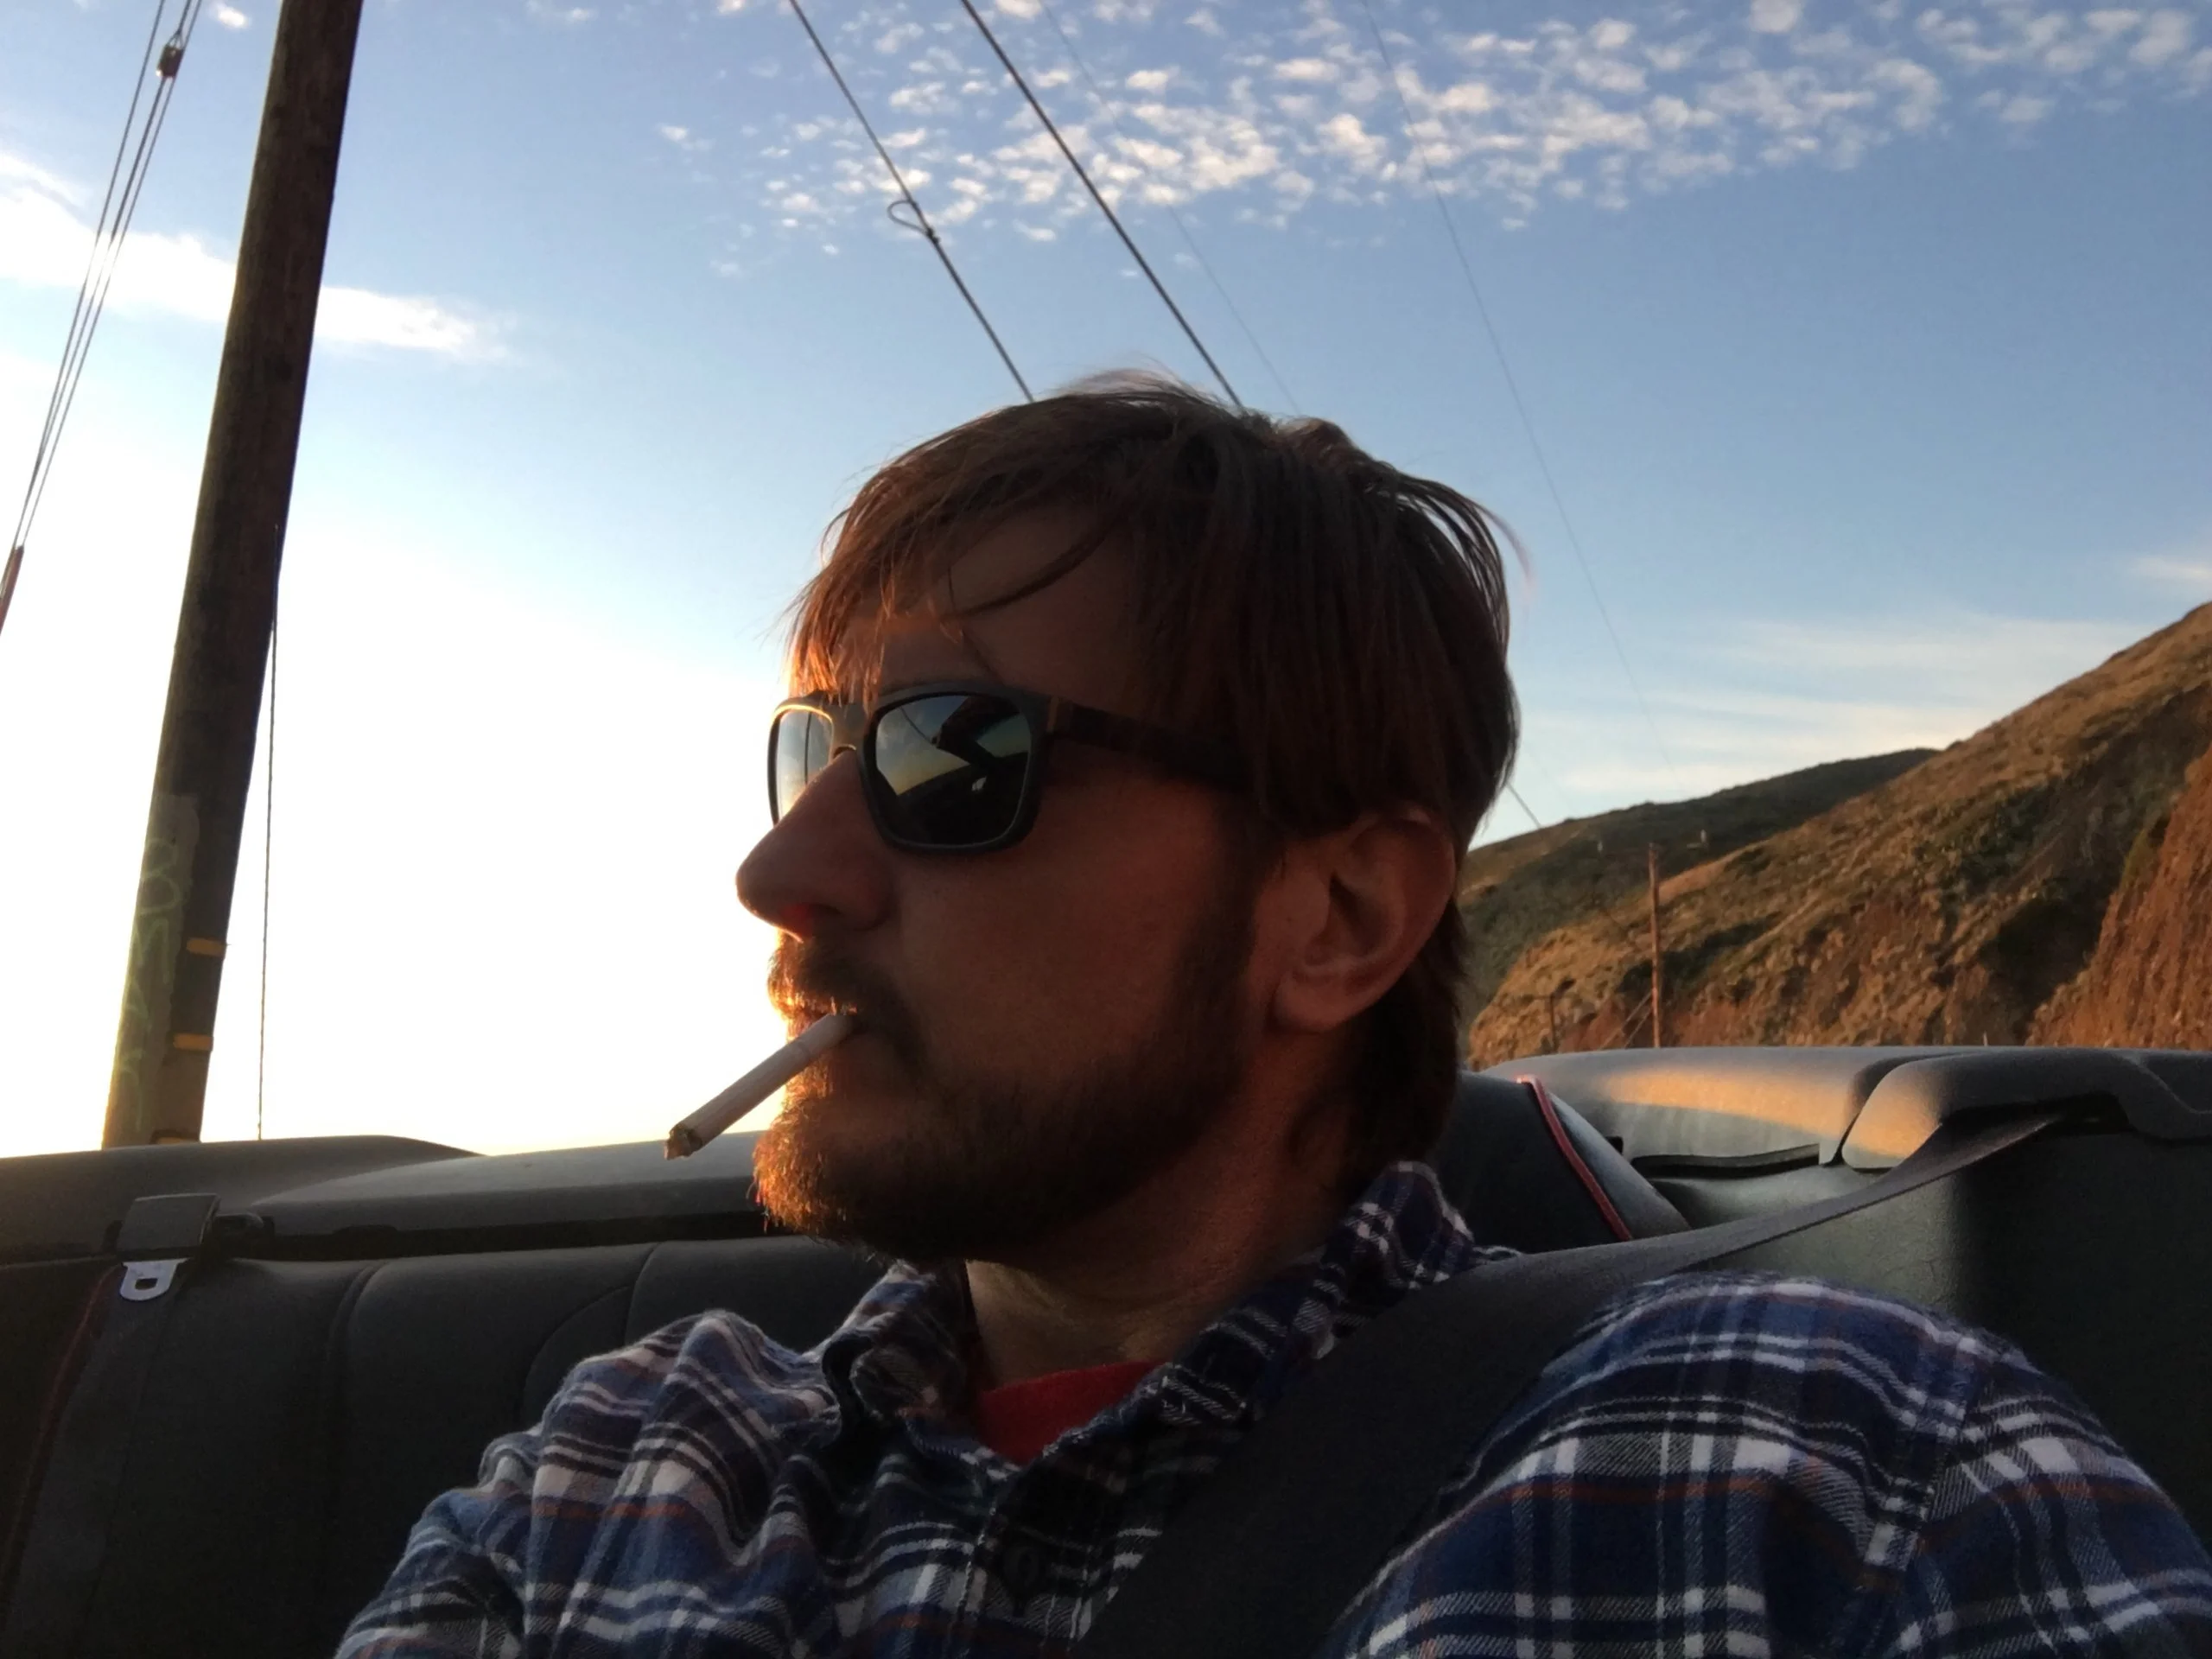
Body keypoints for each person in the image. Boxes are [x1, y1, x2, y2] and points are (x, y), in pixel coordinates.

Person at [342, 378, 2212, 1656]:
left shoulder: (1827, 1471)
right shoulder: (626, 1474)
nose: (782, 872)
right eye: (809, 753)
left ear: (1336, 918)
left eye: (949, 756)